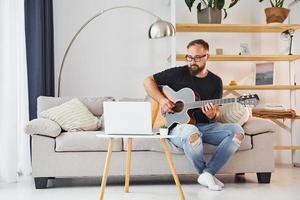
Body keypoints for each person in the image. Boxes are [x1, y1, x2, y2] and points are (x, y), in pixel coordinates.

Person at [143, 39, 245, 191]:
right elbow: (147, 80)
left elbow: (216, 113)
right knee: (192, 132)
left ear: (207, 57)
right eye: (189, 57)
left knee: (237, 131)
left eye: (197, 58)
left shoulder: (216, 81)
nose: (192, 62)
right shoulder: (177, 73)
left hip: (204, 126)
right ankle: (207, 174)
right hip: (178, 127)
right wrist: (162, 100)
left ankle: (207, 173)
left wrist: (212, 114)